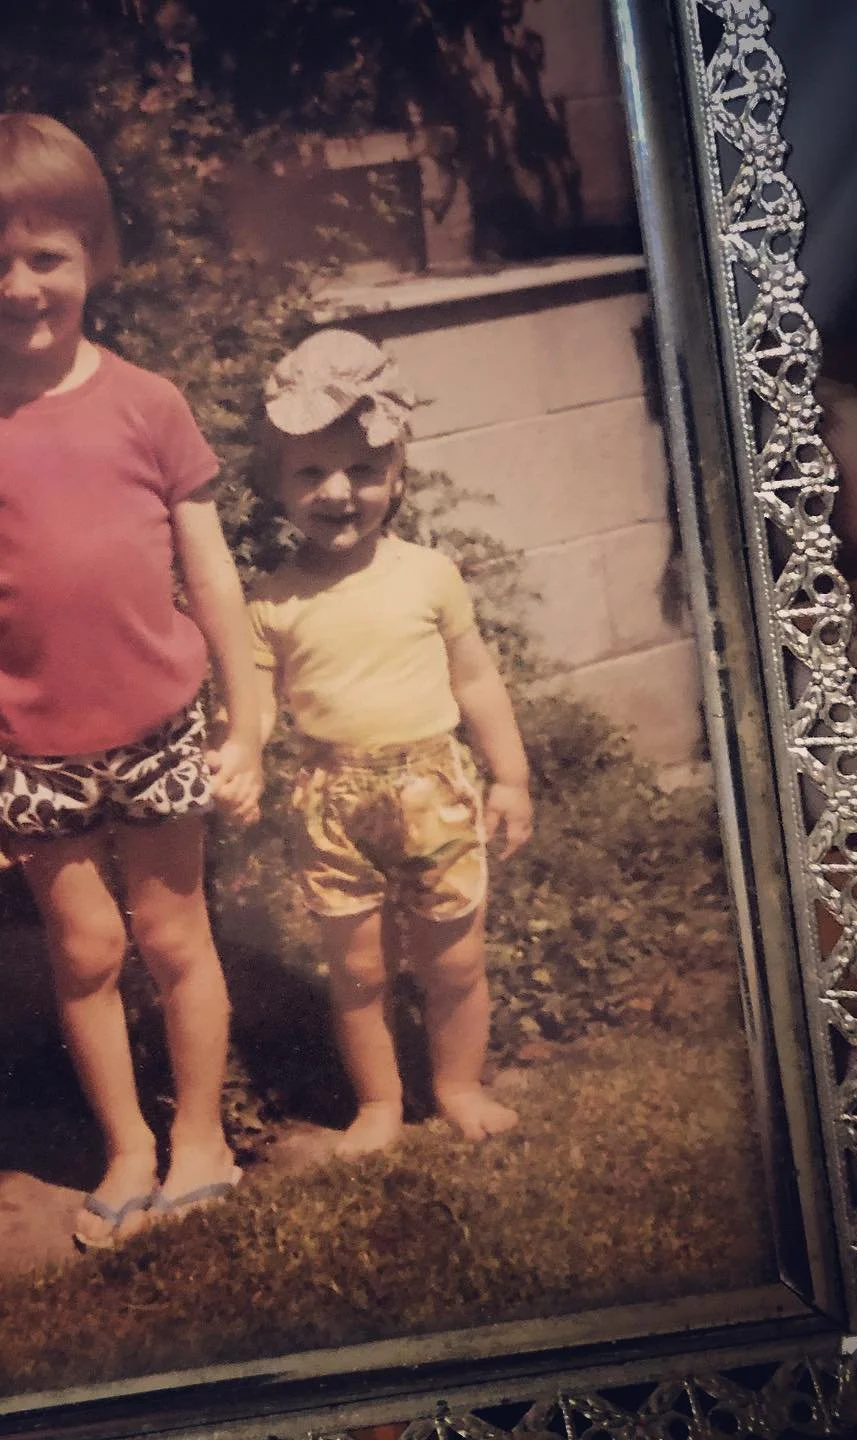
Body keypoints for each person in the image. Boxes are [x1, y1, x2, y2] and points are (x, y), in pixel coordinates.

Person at [0, 113, 262, 1248]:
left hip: (162, 725)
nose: (21, 284)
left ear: (99, 257)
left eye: (47, 256)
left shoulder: (150, 402)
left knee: (173, 936)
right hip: (32, 750)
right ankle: (127, 1146)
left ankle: (202, 1136)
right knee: (87, 951)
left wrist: (247, 724)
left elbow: (211, 571)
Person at [248, 329, 531, 1157]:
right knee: (360, 973)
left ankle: (457, 1087)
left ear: (398, 477)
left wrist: (509, 778)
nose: (340, 491)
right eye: (312, 472)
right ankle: (377, 1106)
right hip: (331, 805)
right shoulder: (270, 602)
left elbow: (477, 683)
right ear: (276, 486)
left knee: (453, 964)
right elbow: (259, 711)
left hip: (434, 789)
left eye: (365, 470)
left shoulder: (429, 576)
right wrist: (239, 757)